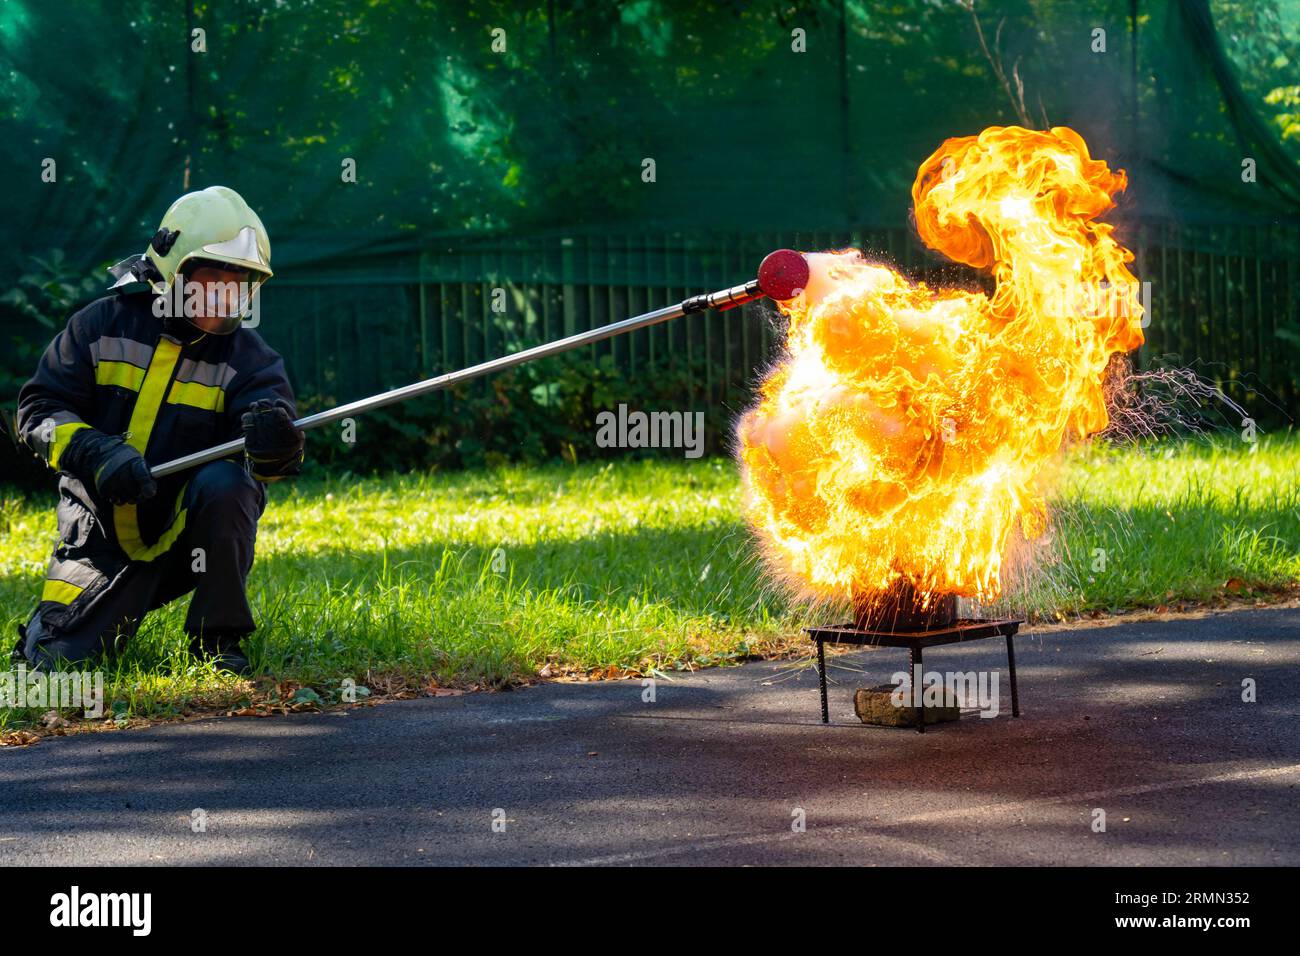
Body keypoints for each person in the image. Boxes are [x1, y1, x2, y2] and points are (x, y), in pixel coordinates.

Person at [13, 186, 304, 674]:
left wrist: (278, 445)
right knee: (51, 667)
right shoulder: (96, 327)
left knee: (230, 483)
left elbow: (271, 457)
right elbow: (38, 411)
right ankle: (87, 617)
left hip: (185, 540)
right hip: (98, 539)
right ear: (173, 270)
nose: (224, 297)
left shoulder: (252, 361)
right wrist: (93, 452)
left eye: (240, 284)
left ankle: (218, 642)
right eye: (212, 278)